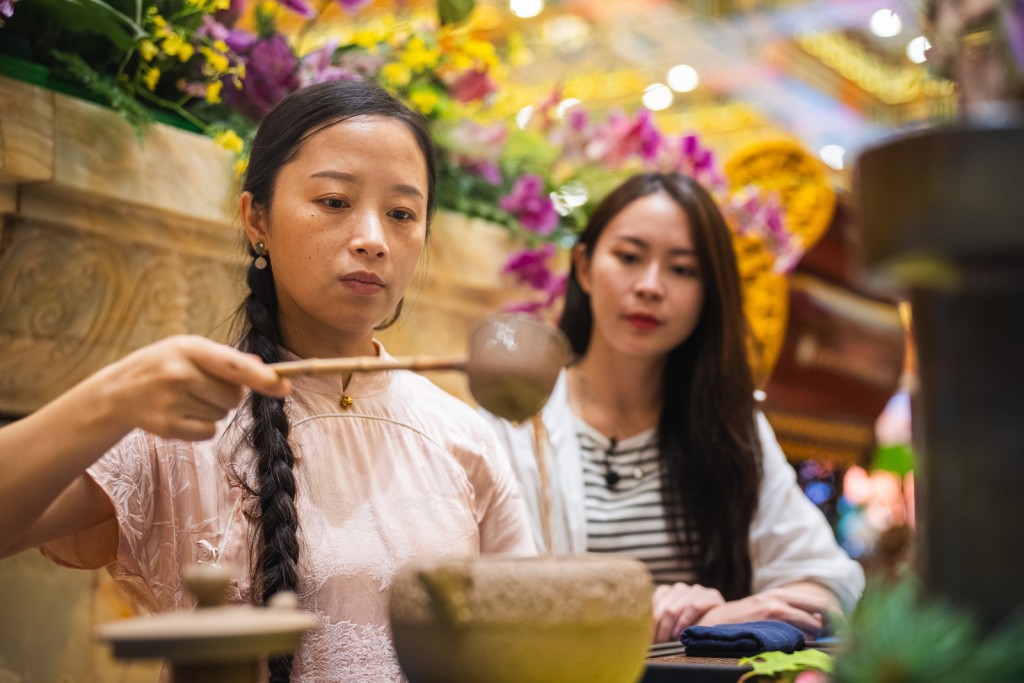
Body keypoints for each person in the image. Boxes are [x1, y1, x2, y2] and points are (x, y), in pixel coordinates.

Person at [0, 80, 535, 681]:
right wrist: (111, 398)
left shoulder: (463, 437)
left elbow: (527, 641)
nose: (373, 240)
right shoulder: (184, 422)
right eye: (334, 201)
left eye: (403, 214)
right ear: (256, 218)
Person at [480, 172, 864, 644]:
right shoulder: (512, 422)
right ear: (584, 266)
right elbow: (484, 600)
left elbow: (829, 583)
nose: (650, 286)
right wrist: (639, 615)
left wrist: (736, 617)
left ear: (708, 293)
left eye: (682, 269)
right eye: (628, 257)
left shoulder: (730, 424)